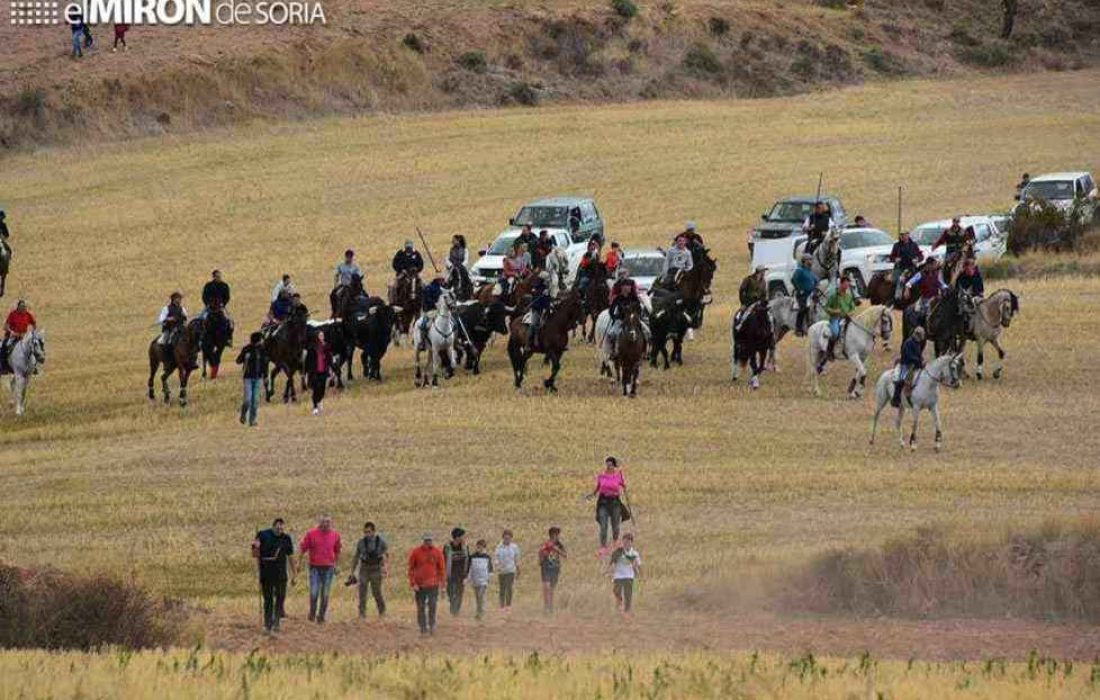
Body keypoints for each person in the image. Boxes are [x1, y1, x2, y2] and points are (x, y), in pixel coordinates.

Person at [252, 518, 296, 633]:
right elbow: (255, 553)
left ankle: (276, 621)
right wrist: (255, 547)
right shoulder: (262, 535)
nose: (279, 529)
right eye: (277, 527)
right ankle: (268, 624)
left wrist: (294, 573)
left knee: (280, 597)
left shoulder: (286, 539)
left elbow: (291, 557)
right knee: (268, 599)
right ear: (273, 526)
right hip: (266, 573)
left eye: (281, 528)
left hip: (281, 574)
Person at [299, 515, 342, 624]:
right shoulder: (311, 534)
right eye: (323, 522)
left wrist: (337, 565)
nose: (326, 524)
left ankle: (321, 617)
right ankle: (312, 614)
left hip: (329, 568)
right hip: (315, 568)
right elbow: (303, 548)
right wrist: (298, 563)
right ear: (319, 522)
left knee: (325, 594)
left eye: (328, 522)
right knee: (314, 592)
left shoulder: (335, 535)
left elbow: (337, 551)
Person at [586, 456, 628, 554]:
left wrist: (623, 483)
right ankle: (603, 546)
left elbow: (623, 485)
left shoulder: (618, 476)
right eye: (607, 465)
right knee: (603, 525)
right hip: (603, 503)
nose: (608, 467)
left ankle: (615, 540)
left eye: (610, 465)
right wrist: (592, 494)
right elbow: (598, 487)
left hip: (615, 502)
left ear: (614, 466)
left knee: (615, 525)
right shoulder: (601, 476)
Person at [408, 532, 446, 636]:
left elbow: (442, 569)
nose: (428, 542)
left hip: (433, 584)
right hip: (420, 585)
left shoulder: (437, 552)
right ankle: (423, 628)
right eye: (426, 540)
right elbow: (411, 569)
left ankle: (432, 625)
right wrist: (413, 583)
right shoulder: (416, 552)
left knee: (432, 606)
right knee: (420, 607)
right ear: (423, 541)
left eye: (430, 540)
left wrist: (443, 585)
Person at [349, 521, 389, 619]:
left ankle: (382, 610)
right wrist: (352, 572)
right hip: (364, 569)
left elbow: (385, 555)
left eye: (369, 532)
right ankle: (362, 613)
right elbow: (356, 557)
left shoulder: (381, 542)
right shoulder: (361, 543)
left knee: (376, 591)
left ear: (374, 531)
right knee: (362, 590)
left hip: (376, 569)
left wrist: (385, 567)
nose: (367, 534)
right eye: (365, 532)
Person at [606, 277, 644, 359]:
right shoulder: (617, 298)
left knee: (645, 332)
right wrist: (615, 318)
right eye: (627, 286)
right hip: (621, 320)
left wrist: (637, 316)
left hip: (633, 320)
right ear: (622, 287)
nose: (629, 287)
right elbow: (611, 311)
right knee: (611, 334)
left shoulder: (634, 298)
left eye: (629, 286)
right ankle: (613, 351)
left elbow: (639, 309)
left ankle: (644, 351)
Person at [235, 332, 267, 427]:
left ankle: (252, 420)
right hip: (248, 378)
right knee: (247, 400)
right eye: (260, 340)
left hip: (258, 378)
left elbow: (265, 364)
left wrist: (265, 376)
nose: (261, 342)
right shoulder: (247, 349)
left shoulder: (262, 350)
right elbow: (238, 361)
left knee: (255, 401)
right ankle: (243, 413)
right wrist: (244, 356)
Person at [824, 276, 857, 361]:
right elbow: (826, 307)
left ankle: (847, 349)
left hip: (847, 318)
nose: (846, 287)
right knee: (835, 333)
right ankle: (829, 351)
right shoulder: (833, 296)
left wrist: (850, 313)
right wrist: (834, 311)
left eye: (848, 285)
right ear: (841, 284)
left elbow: (853, 309)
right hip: (835, 318)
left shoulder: (848, 296)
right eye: (845, 285)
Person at [892, 327, 926, 407]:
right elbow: (909, 356)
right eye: (921, 335)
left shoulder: (917, 343)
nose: (922, 338)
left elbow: (918, 354)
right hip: (906, 364)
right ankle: (896, 399)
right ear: (917, 335)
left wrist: (922, 359)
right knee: (902, 379)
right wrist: (918, 360)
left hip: (915, 364)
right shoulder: (908, 343)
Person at [609, 533, 641, 615]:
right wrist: (611, 573)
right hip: (618, 576)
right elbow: (612, 563)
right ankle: (619, 604)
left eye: (628, 541)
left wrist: (637, 575)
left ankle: (627, 611)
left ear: (631, 542)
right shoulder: (618, 552)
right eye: (625, 541)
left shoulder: (634, 553)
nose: (626, 543)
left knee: (628, 594)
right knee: (617, 591)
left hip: (629, 576)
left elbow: (638, 566)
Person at [1, 299, 37, 373]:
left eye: (24, 306)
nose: (23, 308)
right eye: (22, 306)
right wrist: (12, 332)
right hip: (13, 336)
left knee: (33, 345)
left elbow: (34, 324)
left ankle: (34, 365)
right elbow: (5, 326)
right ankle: (3, 366)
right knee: (4, 345)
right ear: (18, 307)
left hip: (23, 336)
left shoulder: (28, 315)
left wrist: (31, 333)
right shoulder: (12, 314)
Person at [888, 230, 924, 302]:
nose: (902, 236)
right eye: (901, 235)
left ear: (908, 235)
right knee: (900, 280)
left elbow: (921, 256)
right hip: (900, 268)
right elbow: (891, 257)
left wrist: (917, 260)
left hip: (912, 267)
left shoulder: (914, 245)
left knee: (920, 278)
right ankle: (897, 298)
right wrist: (895, 259)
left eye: (904, 234)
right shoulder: (896, 245)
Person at [538, 527, 566, 614]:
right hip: (546, 568)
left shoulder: (559, 545)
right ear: (553, 535)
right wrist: (543, 556)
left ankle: (550, 606)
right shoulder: (546, 544)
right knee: (546, 587)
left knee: (551, 589)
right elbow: (540, 554)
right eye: (557, 534)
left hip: (555, 568)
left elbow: (565, 555)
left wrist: (556, 549)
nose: (558, 536)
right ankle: (546, 607)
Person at [443, 527, 470, 617]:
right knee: (451, 593)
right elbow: (443, 560)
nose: (464, 538)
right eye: (463, 536)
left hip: (461, 575)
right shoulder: (447, 547)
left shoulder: (465, 547)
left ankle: (456, 611)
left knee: (459, 593)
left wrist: (466, 575)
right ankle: (453, 607)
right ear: (457, 537)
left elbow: (468, 561)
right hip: (450, 574)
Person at [304, 330, 333, 416]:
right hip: (314, 372)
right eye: (320, 336)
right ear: (317, 337)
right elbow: (307, 361)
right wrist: (305, 373)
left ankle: (320, 402)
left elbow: (329, 358)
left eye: (323, 335)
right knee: (316, 389)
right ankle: (315, 407)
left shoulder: (326, 346)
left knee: (322, 389)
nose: (322, 337)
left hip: (324, 371)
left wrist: (332, 370)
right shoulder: (312, 347)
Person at [792, 255, 819, 337]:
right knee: (803, 308)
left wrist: (816, 287)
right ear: (804, 261)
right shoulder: (799, 270)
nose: (810, 261)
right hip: (802, 295)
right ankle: (798, 328)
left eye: (811, 259)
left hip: (811, 294)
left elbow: (816, 280)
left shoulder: (810, 271)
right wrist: (799, 289)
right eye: (809, 260)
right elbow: (793, 280)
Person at [417, 276, 446, 350]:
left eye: (443, 280)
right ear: (437, 280)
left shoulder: (443, 289)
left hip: (441, 310)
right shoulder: (428, 288)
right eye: (441, 280)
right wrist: (435, 304)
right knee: (424, 324)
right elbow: (427, 299)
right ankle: (422, 342)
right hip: (430, 310)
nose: (443, 281)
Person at [494, 529, 520, 612]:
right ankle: (502, 606)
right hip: (502, 570)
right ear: (503, 538)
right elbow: (496, 557)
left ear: (511, 538)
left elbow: (516, 558)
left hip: (511, 570)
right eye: (505, 538)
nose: (507, 540)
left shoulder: (514, 547)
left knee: (509, 587)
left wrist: (518, 569)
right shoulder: (499, 547)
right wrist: (497, 565)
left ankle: (508, 605)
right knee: (502, 588)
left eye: (509, 538)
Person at [468, 539, 493, 621]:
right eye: (478, 547)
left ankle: (480, 613)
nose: (479, 549)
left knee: (481, 596)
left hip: (483, 581)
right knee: (477, 597)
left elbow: (490, 569)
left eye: (481, 547)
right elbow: (469, 568)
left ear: (484, 548)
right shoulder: (472, 557)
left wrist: (489, 578)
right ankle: (478, 612)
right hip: (475, 580)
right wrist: (469, 578)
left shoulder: (487, 557)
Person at [525, 276, 552, 352]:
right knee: (533, 324)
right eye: (545, 281)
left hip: (546, 310)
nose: (547, 283)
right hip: (537, 311)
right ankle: (527, 344)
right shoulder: (536, 290)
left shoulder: (546, 290)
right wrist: (542, 294)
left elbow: (548, 300)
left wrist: (548, 296)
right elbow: (535, 301)